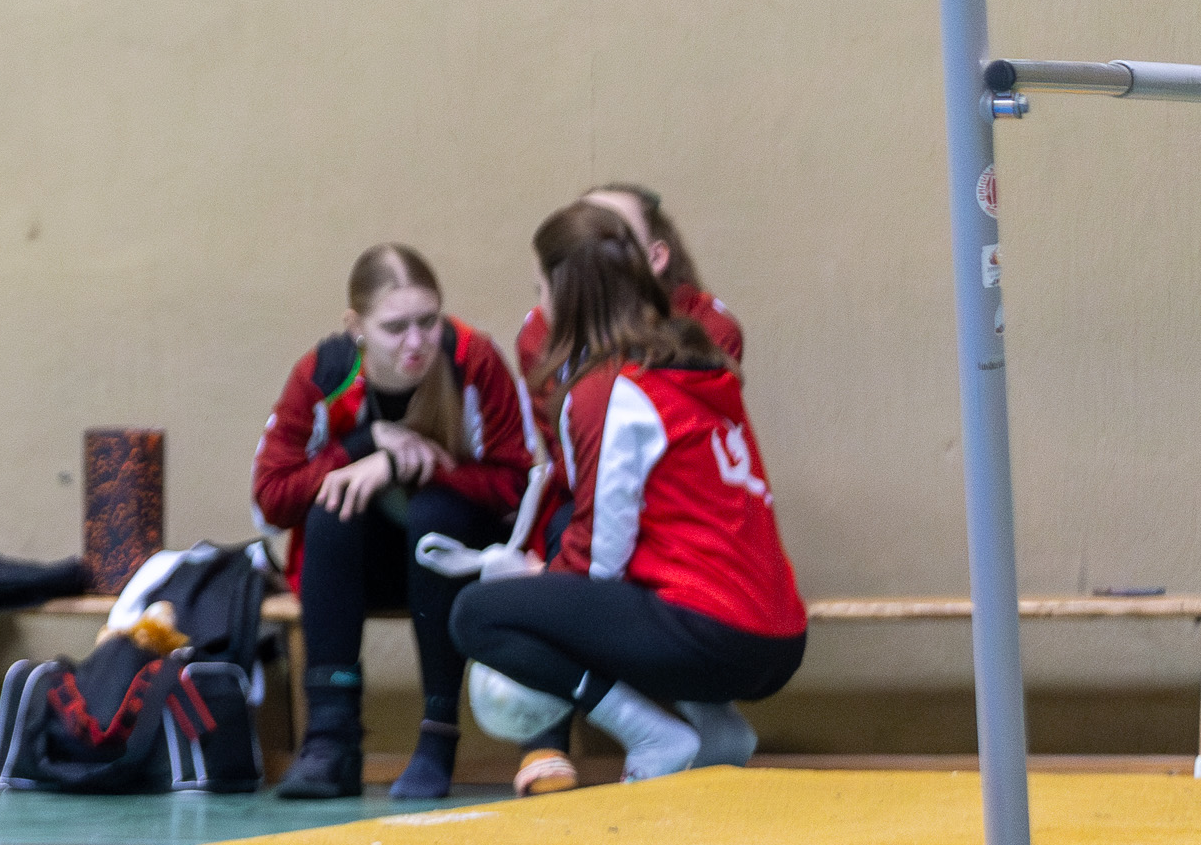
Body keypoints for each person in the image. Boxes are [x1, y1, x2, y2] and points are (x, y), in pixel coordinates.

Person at [452, 209, 804, 785]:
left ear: (564, 293)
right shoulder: (694, 365)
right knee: (584, 589)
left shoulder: (607, 390)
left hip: (713, 633)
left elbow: (598, 561)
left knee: (476, 614)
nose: (538, 305)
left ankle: (651, 733)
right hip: (778, 637)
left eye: (541, 288)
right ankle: (717, 729)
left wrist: (531, 577)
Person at [250, 242, 533, 801]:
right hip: (359, 564)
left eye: (429, 322)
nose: (416, 343)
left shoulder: (472, 360)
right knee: (334, 504)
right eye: (395, 327)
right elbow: (269, 501)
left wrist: (417, 466)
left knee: (433, 514)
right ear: (356, 326)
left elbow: (518, 490)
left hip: (459, 561)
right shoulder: (323, 373)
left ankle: (437, 736)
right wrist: (361, 445)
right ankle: (330, 737)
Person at [513, 181, 744, 384]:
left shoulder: (706, 325)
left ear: (655, 257)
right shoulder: (541, 329)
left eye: (610, 235)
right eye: (583, 232)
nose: (589, 251)